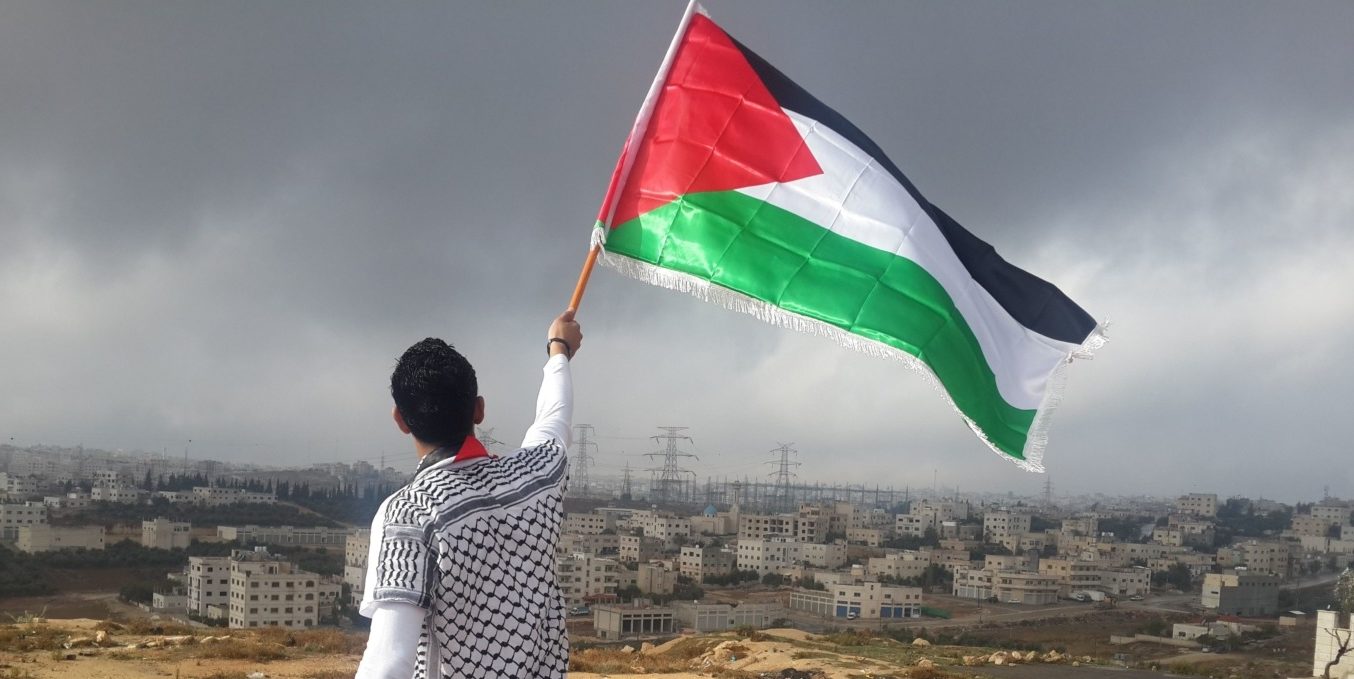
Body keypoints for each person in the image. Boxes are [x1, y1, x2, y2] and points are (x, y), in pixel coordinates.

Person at [355, 310, 582, 679]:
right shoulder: (537, 478)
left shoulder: (411, 513)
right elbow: (554, 419)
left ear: (400, 419)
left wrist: (560, 352)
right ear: (479, 409)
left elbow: (388, 663)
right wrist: (559, 350)